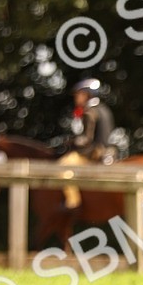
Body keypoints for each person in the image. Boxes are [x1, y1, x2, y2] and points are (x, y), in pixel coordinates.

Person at [57, 78, 115, 209]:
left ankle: (72, 202)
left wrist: (69, 141)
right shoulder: (105, 109)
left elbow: (86, 139)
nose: (76, 98)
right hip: (108, 152)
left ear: (88, 95)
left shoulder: (89, 112)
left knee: (62, 166)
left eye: (79, 94)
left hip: (93, 154)